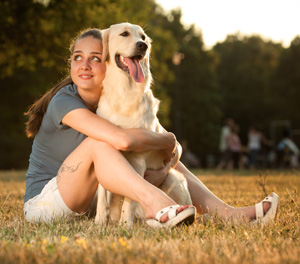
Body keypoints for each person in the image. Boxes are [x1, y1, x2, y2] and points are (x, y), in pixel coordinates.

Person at [23, 28, 278, 227]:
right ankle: (156, 203)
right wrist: (166, 141)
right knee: (100, 143)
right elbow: (123, 141)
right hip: (45, 204)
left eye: (95, 58)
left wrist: (165, 163)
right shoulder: (63, 101)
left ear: (112, 62)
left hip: (84, 202)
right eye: (77, 57)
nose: (84, 65)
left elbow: (163, 143)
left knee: (151, 150)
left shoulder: (113, 102)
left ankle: (228, 214)